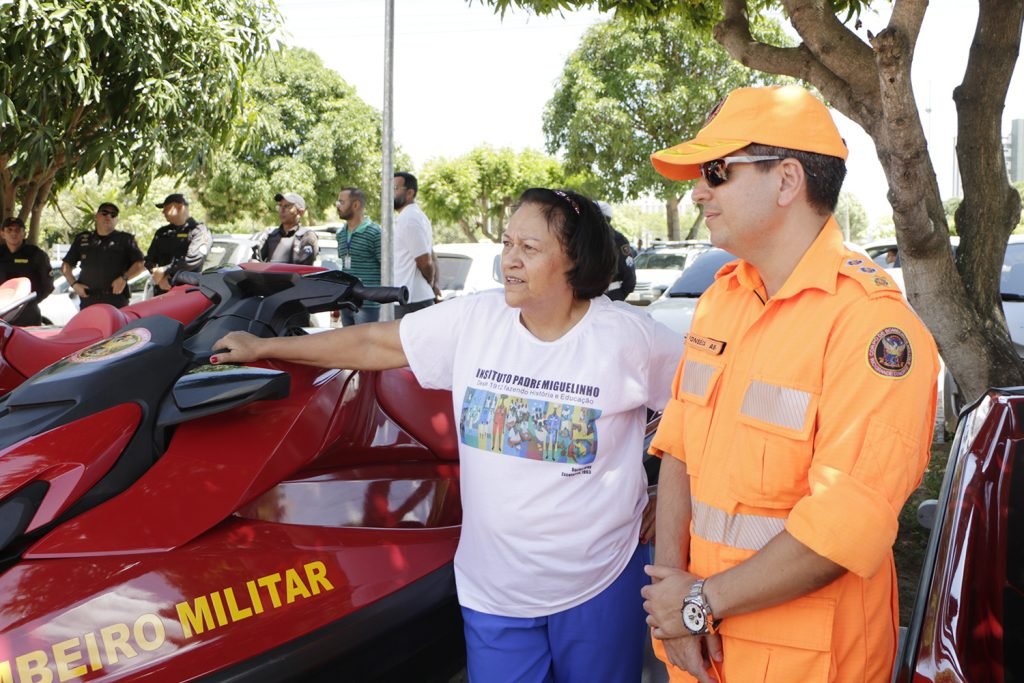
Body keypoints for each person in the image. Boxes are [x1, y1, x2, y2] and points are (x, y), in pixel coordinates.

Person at [212, 187, 683, 683]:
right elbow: (374, 341)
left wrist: (662, 492)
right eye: (507, 244)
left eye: (530, 248)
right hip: (493, 591)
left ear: (575, 259)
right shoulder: (477, 319)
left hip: (599, 583)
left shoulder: (630, 337)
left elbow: (700, 410)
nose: (510, 262)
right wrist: (266, 346)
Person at [640, 84, 941, 683]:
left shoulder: (871, 325)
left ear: (786, 180)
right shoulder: (721, 301)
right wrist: (673, 605)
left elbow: (839, 530)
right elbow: (679, 451)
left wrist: (699, 605)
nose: (698, 191)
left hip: (808, 662)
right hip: (700, 648)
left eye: (717, 171)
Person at [61, 202, 146, 309]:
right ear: (97, 216)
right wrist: (74, 285)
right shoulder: (83, 239)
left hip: (116, 299)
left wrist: (124, 278)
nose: (108, 217)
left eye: (113, 214)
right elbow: (66, 266)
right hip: (88, 298)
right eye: (104, 213)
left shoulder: (125, 240)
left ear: (116, 220)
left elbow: (140, 264)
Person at [392, 172, 439, 317]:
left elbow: (425, 261)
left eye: (394, 188)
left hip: (412, 300)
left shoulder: (409, 218)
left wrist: (430, 282)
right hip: (410, 297)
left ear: (410, 193)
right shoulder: (412, 215)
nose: (390, 192)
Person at [145, 193, 212, 294]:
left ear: (180, 207)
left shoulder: (198, 231)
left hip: (187, 292)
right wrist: (158, 276)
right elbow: (149, 260)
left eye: (166, 208)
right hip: (161, 291)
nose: (163, 212)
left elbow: (192, 260)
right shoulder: (162, 232)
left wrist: (165, 271)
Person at [334, 187, 382, 325]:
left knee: (365, 344)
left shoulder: (375, 233)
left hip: (368, 304)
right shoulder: (340, 233)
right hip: (346, 301)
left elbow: (387, 268)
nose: (338, 206)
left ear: (355, 205)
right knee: (348, 345)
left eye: (342, 202)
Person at [0, 217, 52, 325]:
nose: (14, 233)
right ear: (2, 234)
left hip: (27, 313)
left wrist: (29, 302)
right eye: (9, 230)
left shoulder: (36, 255)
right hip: (2, 312)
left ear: (24, 234)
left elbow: (47, 285)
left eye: (18, 230)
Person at [253, 192, 319, 265]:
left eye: (287, 206)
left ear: (300, 212)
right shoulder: (270, 236)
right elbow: (256, 260)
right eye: (280, 206)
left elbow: (305, 267)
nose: (282, 210)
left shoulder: (307, 237)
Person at [596, 201, 636, 302]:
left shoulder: (618, 239)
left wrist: (620, 295)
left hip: (612, 294)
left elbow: (629, 272)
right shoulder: (584, 238)